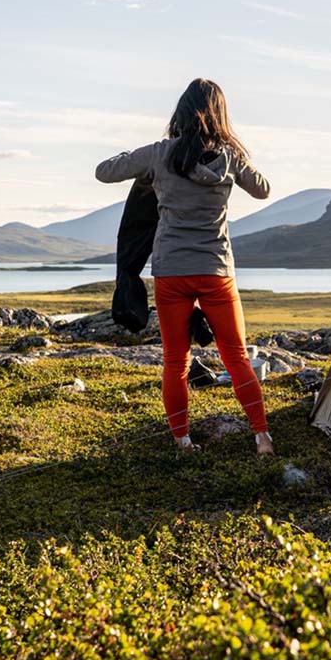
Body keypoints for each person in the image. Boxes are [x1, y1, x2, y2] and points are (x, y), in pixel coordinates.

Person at [95, 79, 274, 455]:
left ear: (179, 111)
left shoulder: (161, 152)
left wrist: (144, 159)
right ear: (221, 116)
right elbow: (262, 189)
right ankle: (261, 437)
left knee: (176, 361)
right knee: (237, 357)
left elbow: (104, 171)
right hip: (216, 270)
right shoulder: (229, 158)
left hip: (172, 272)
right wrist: (238, 158)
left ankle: (183, 440)